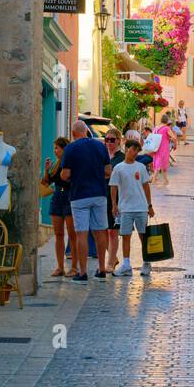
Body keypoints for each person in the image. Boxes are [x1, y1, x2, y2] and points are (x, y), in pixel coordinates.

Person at [57, 120, 113, 281]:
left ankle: (82, 272)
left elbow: (65, 175)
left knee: (81, 233)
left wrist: (68, 177)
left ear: (73, 134)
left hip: (79, 195)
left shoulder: (71, 149)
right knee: (100, 231)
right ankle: (102, 269)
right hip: (99, 194)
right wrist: (95, 177)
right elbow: (108, 172)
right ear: (87, 131)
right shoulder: (100, 146)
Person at [110, 135, 156, 279]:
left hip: (141, 208)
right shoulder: (118, 168)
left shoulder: (141, 167)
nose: (135, 153)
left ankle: (147, 262)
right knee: (126, 236)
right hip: (125, 208)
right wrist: (114, 205)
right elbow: (113, 187)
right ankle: (126, 265)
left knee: (143, 236)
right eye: (133, 149)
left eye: (137, 150)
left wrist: (149, 206)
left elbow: (146, 187)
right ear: (126, 149)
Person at [42, 135, 75, 277]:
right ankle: (60, 267)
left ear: (64, 149)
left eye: (57, 148)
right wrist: (46, 170)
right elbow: (45, 183)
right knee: (59, 234)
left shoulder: (70, 163)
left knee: (72, 235)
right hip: (57, 198)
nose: (55, 151)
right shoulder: (56, 164)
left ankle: (74, 267)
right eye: (54, 148)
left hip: (68, 197)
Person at [103, 127, 125, 274]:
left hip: (117, 199)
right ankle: (113, 256)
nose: (109, 143)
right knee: (102, 230)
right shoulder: (103, 156)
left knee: (113, 232)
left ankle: (110, 262)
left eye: (112, 140)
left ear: (118, 141)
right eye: (107, 140)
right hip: (101, 196)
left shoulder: (122, 158)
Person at [151, 113, 176, 187]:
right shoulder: (166, 128)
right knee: (161, 163)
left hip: (156, 147)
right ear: (167, 121)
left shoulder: (156, 128)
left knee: (159, 163)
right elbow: (174, 137)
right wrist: (171, 139)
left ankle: (166, 180)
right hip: (163, 148)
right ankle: (154, 180)